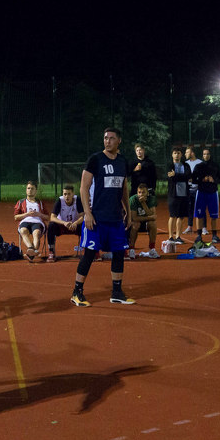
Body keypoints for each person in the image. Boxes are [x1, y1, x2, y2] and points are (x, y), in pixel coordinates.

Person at [70, 127, 134, 307]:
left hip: (116, 218)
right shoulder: (95, 159)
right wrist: (87, 213)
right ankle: (77, 292)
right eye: (105, 138)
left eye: (111, 138)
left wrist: (128, 213)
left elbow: (124, 189)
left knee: (119, 253)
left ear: (119, 141)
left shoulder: (122, 162)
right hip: (96, 218)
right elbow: (83, 187)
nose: (107, 141)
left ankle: (117, 292)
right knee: (90, 253)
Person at [46, 184, 85, 263]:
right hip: (62, 226)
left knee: (86, 226)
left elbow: (82, 216)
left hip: (75, 226)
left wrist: (75, 223)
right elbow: (52, 217)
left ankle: (87, 251)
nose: (67, 196)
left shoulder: (78, 200)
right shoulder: (60, 201)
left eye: (69, 194)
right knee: (51, 225)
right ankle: (51, 251)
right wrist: (64, 223)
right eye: (65, 194)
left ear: (73, 194)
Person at [193, 147, 220, 244]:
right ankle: (199, 236)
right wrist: (202, 180)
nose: (206, 155)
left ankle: (214, 236)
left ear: (210, 155)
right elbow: (193, 180)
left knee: (214, 216)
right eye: (204, 154)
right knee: (199, 215)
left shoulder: (215, 166)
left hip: (213, 193)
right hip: (201, 193)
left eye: (208, 154)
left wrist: (214, 180)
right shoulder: (199, 166)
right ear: (202, 155)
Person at [13, 180, 49, 262]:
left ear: (36, 191)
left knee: (36, 233)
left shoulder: (40, 203)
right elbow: (16, 217)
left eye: (32, 188)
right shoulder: (21, 202)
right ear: (26, 190)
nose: (30, 190)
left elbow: (47, 217)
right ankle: (31, 250)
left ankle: (30, 254)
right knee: (23, 231)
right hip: (25, 221)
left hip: (38, 222)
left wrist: (39, 214)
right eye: (28, 188)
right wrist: (27, 214)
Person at [166, 147, 191, 244]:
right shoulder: (169, 165)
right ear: (172, 155)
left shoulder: (186, 165)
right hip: (173, 195)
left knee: (181, 216)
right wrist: (180, 177)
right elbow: (170, 178)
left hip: (184, 194)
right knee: (172, 215)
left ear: (181, 154)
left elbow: (188, 176)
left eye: (178, 153)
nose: (176, 155)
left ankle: (178, 236)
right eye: (175, 153)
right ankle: (170, 236)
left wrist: (175, 175)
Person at [128, 184, 160, 258]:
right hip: (136, 221)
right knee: (135, 224)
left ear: (147, 193)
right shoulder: (133, 199)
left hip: (145, 220)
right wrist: (149, 217)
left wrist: (143, 203)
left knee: (153, 224)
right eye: (139, 192)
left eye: (143, 192)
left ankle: (152, 249)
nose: (141, 194)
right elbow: (134, 218)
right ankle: (131, 249)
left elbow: (152, 216)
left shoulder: (151, 199)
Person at [183, 145, 204, 234]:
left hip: (199, 189)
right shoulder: (185, 163)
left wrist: (195, 179)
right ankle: (189, 227)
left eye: (187, 152)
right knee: (190, 209)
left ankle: (204, 228)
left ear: (192, 153)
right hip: (189, 190)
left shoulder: (200, 163)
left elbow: (202, 176)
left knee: (201, 208)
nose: (185, 154)